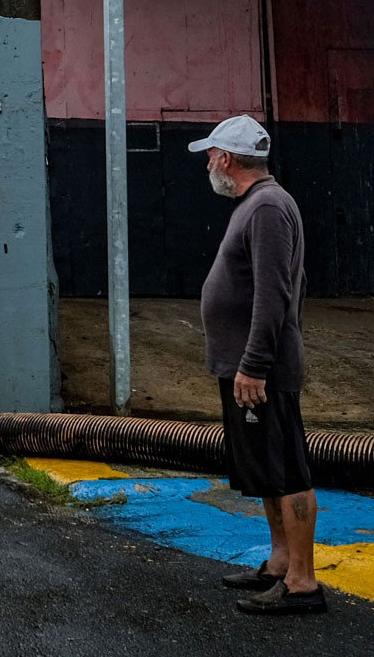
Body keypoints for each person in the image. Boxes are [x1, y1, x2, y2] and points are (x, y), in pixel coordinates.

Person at [190, 115, 324, 615]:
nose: (208, 162)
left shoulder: (267, 207)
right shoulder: (259, 204)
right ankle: (279, 563)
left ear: (227, 158)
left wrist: (255, 364)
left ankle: (303, 583)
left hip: (259, 371)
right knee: (267, 469)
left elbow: (275, 294)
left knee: (287, 468)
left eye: (211, 154)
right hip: (248, 367)